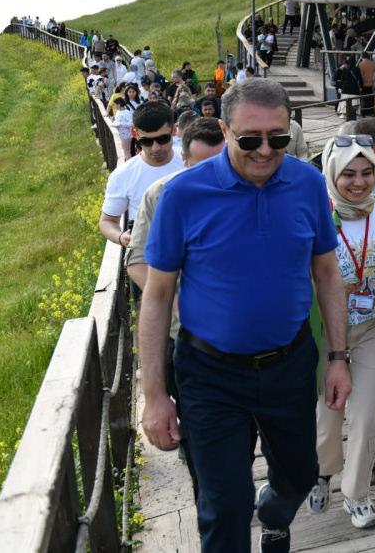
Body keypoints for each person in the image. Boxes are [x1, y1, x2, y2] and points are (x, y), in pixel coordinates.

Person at [139, 79, 353, 553]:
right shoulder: (183, 196)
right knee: (223, 505)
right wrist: (154, 395)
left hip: (289, 363)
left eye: (277, 138)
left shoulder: (307, 184)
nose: (264, 150)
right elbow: (156, 296)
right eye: (249, 139)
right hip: (209, 373)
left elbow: (327, 273)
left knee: (300, 475)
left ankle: (275, 511)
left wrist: (339, 356)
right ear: (223, 129)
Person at [307, 134, 375, 530]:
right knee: (327, 413)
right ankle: (322, 471)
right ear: (332, 174)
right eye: (348, 173)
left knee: (369, 413)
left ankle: (356, 492)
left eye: (367, 172)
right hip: (326, 331)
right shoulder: (316, 216)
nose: (358, 182)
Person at [124, 117, 227, 496]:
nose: (215, 173)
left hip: (240, 341)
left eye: (222, 161)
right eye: (203, 165)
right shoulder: (161, 194)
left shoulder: (246, 190)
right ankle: (209, 502)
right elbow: (136, 263)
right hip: (182, 337)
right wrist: (175, 300)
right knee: (199, 434)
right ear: (185, 161)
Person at [98, 101, 185, 255]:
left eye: (163, 139)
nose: (155, 147)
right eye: (146, 141)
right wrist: (121, 237)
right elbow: (107, 221)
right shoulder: (123, 175)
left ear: (174, 130)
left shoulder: (191, 161)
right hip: (147, 260)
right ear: (134, 133)